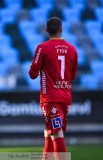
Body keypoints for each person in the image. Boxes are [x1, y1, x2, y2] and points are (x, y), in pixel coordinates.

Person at [29, 17, 78, 160]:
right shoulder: (73, 49)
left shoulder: (42, 48)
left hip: (50, 97)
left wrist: (34, 68)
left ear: (46, 31)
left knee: (55, 133)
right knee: (49, 132)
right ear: (61, 30)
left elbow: (33, 74)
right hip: (66, 97)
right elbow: (72, 75)